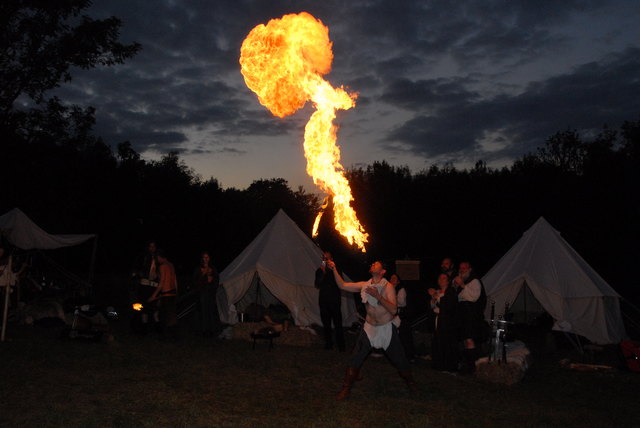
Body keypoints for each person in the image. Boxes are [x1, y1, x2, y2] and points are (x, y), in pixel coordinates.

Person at [327, 260, 416, 400]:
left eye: (377, 263)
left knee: (400, 360)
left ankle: (411, 383)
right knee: (355, 357)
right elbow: (342, 285)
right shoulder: (365, 285)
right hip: (369, 328)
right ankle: (346, 388)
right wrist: (333, 268)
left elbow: (393, 310)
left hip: (385, 329)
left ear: (382, 272)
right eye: (373, 263)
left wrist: (378, 296)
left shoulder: (388, 287)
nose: (373, 264)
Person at [453, 261, 487, 373]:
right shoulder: (461, 281)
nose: (462, 270)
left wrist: (463, 285)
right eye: (460, 268)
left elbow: (473, 297)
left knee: (469, 339)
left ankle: (471, 366)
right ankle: (466, 363)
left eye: (465, 268)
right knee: (464, 339)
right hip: (462, 314)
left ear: (470, 269)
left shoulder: (475, 281)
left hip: (471, 315)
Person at [315, 251, 345, 351]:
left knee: (338, 324)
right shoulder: (319, 271)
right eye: (323, 258)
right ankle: (329, 343)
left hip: (335, 301)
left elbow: (341, 283)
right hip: (323, 302)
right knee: (326, 324)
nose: (325, 260)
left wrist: (333, 270)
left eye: (327, 258)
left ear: (331, 259)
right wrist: (323, 273)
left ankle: (341, 345)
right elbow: (317, 285)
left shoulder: (336, 270)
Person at [429, 273, 459, 372]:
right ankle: (439, 364)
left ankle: (448, 366)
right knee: (438, 341)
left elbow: (447, 306)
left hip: (447, 321)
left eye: (444, 278)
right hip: (437, 319)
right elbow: (433, 306)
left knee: (447, 342)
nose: (441, 280)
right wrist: (433, 298)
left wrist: (435, 296)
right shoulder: (438, 291)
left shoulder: (451, 291)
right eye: (440, 278)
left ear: (448, 281)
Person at [149, 250, 178, 340]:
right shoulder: (171, 265)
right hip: (172, 293)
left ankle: (166, 336)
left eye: (157, 258)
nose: (157, 260)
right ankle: (172, 336)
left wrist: (153, 296)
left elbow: (161, 283)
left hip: (166, 294)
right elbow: (175, 280)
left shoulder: (163, 266)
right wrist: (177, 291)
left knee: (164, 316)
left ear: (160, 257)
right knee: (171, 316)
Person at [132, 241, 160, 331]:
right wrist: (139, 274)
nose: (152, 248)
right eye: (150, 246)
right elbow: (136, 269)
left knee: (155, 306)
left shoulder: (158, 258)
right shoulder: (143, 257)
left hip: (154, 286)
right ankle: (143, 327)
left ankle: (156, 327)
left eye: (153, 246)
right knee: (143, 305)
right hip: (144, 286)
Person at [192, 251, 221, 337]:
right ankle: (203, 330)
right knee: (203, 311)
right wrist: (203, 276)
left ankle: (212, 330)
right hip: (201, 293)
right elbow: (194, 281)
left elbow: (217, 280)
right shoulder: (198, 269)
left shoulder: (213, 268)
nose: (206, 259)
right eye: (204, 257)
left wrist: (212, 280)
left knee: (211, 311)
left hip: (210, 293)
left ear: (209, 258)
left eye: (207, 257)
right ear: (202, 258)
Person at [391, 273, 415, 362]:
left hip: (401, 316)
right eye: (391, 278)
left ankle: (409, 356)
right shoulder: (388, 289)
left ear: (398, 281)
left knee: (404, 336)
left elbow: (401, 302)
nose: (392, 280)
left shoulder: (401, 289)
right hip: (392, 315)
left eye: (394, 278)